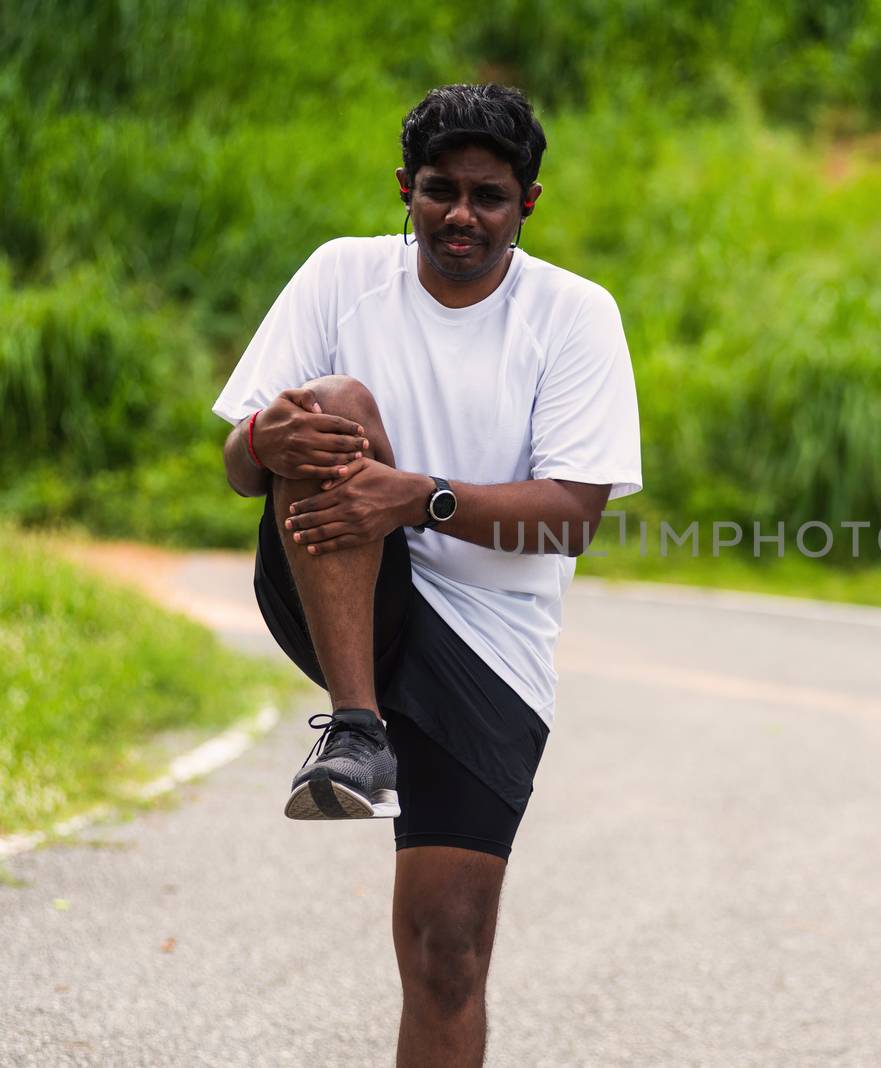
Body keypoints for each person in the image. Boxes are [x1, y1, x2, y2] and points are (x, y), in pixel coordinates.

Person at [211, 83, 641, 1067]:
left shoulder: (574, 316)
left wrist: (416, 497)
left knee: (448, 951)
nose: (460, 215)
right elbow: (242, 470)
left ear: (527, 202)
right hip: (340, 593)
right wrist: (261, 437)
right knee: (330, 400)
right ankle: (355, 732)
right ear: (404, 189)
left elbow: (571, 521)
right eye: (438, 191)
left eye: (487, 196)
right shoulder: (339, 276)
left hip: (494, 644)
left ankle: (372, 740)